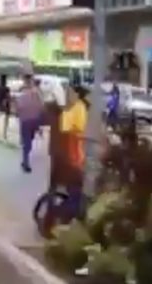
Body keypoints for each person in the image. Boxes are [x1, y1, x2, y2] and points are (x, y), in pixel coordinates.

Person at [60, 84, 89, 217]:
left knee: (74, 191)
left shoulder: (76, 108)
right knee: (75, 192)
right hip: (74, 160)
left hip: (72, 158)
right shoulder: (78, 108)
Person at [15, 73, 45, 173]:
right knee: (28, 142)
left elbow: (18, 108)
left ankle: (25, 159)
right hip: (29, 120)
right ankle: (25, 162)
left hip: (29, 120)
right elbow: (41, 107)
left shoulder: (34, 92)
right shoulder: (30, 92)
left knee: (28, 141)